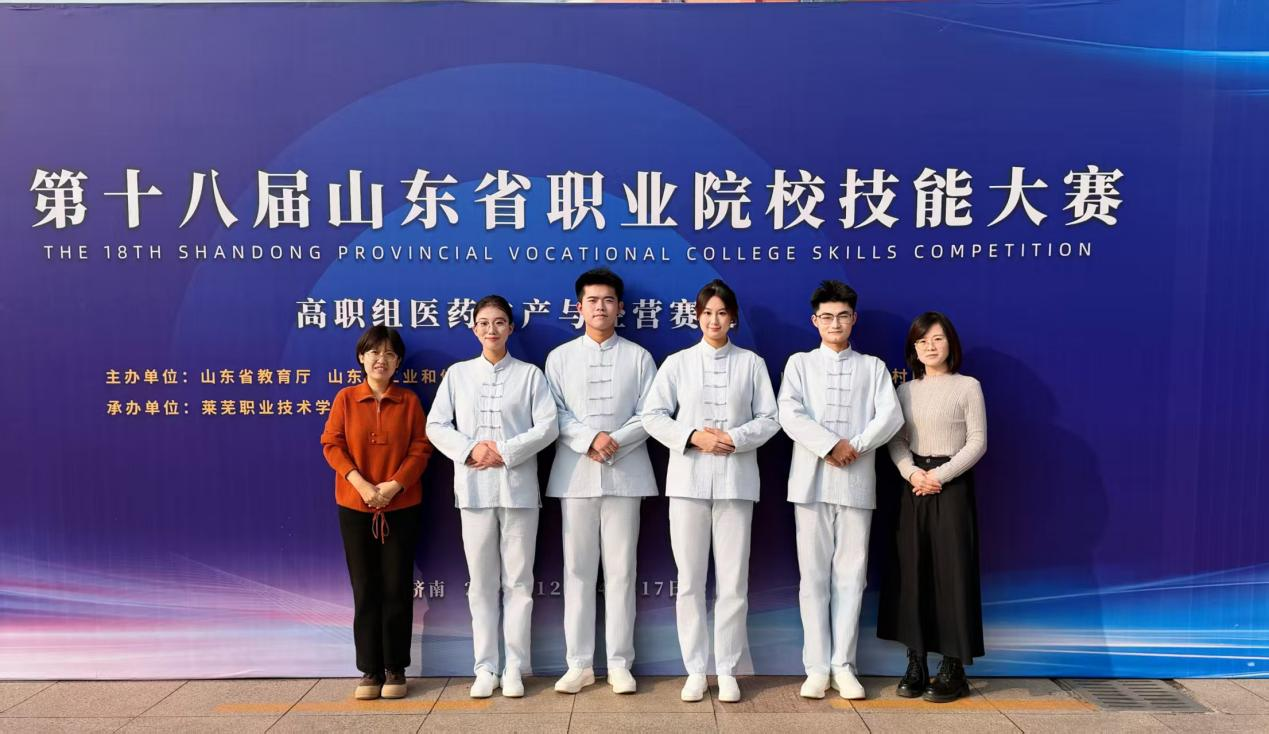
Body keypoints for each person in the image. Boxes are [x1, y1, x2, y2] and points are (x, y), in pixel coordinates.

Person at [643, 279, 780, 704]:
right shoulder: (678, 363)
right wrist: (692, 437)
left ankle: (727, 669)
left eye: (721, 313)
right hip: (688, 483)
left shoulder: (751, 363)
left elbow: (770, 418)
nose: (714, 320)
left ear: (733, 318)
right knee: (689, 582)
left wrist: (734, 438)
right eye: (707, 313)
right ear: (697, 316)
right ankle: (695, 670)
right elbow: (652, 415)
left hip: (737, 483)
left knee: (733, 582)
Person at [425, 295, 559, 699]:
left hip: (519, 491)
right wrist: (471, 449)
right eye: (483, 323)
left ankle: (515, 666)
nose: (491, 329)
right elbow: (436, 425)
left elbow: (548, 426)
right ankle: (485, 667)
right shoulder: (459, 375)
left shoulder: (530, 375)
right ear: (473, 328)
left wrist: (506, 450)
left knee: (518, 582)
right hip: (474, 490)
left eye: (499, 322)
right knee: (482, 583)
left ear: (511, 328)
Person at [777, 280, 903, 701]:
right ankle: (815, 667)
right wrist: (830, 445)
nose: (835, 324)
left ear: (854, 319)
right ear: (815, 320)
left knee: (852, 576)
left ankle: (843, 665)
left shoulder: (872, 367)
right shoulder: (799, 364)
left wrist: (857, 445)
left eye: (843, 316)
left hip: (856, 481)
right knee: (813, 577)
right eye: (827, 317)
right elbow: (789, 413)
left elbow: (890, 416)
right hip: (810, 482)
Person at [545, 268, 658, 695]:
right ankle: (578, 664)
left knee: (622, 572)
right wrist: (589, 439)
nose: (600, 307)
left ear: (620, 307)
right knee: (577, 571)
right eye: (592, 300)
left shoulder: (639, 357)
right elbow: (554, 414)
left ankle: (619, 663)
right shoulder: (559, 358)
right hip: (575, 475)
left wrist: (615, 441)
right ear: (579, 307)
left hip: (625, 475)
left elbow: (651, 414)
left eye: (608, 300)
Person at [321, 325, 433, 701]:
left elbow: (421, 448)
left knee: (396, 586)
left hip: (401, 506)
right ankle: (370, 669)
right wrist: (362, 485)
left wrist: (393, 486)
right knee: (365, 588)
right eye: (373, 352)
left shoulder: (409, 401)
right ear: (361, 358)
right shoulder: (345, 399)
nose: (380, 359)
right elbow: (332, 444)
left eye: (388, 354)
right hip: (355, 506)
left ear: (398, 362)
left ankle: (396, 668)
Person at [880, 311, 987, 703]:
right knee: (913, 572)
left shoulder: (968, 386)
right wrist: (912, 473)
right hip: (913, 486)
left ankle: (953, 667)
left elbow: (977, 441)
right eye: (922, 340)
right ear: (914, 347)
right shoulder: (905, 391)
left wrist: (940, 475)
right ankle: (916, 662)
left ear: (950, 344)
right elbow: (896, 440)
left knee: (952, 572)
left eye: (937, 339)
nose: (930, 346)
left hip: (951, 486)